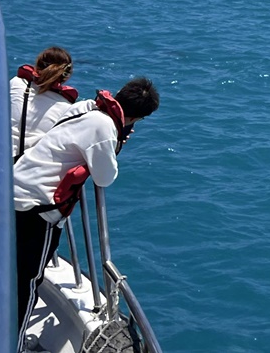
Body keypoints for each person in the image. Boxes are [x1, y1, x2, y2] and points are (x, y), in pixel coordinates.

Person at [13, 77, 160, 346]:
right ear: (138, 118)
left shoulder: (87, 107)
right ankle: (13, 344)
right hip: (37, 209)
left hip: (14, 189)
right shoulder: (104, 128)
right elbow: (105, 176)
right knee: (27, 281)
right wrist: (118, 141)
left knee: (11, 271)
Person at [10, 47, 78, 161]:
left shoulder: (16, 83)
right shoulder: (66, 108)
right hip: (28, 170)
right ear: (67, 75)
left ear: (37, 65)